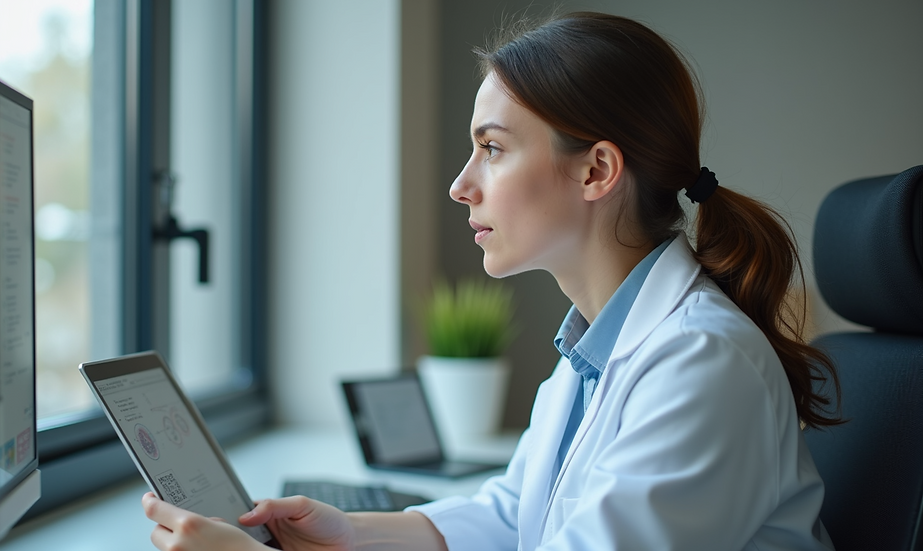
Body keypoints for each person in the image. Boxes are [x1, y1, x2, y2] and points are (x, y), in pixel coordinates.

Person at [142, 11, 840, 551]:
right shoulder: (595, 349)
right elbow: (515, 512)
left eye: (492, 149)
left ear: (596, 170)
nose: (460, 185)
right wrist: (356, 533)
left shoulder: (702, 364)